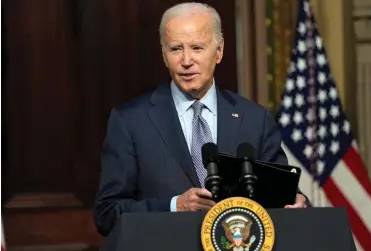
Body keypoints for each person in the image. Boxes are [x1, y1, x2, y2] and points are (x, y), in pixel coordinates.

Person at [93, 2, 310, 237]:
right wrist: (174, 206)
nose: (186, 61)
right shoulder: (130, 121)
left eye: (197, 48)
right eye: (176, 49)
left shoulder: (255, 119)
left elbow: (285, 195)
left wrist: (297, 203)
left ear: (219, 51)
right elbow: (107, 214)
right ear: (164, 55)